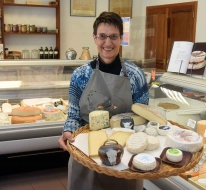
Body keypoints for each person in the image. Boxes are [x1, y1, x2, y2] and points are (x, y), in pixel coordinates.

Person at [58, 11, 149, 190]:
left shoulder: (135, 75)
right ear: (94, 38)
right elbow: (74, 114)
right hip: (87, 152)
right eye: (102, 36)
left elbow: (144, 116)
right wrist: (68, 130)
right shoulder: (80, 75)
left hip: (124, 156)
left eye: (114, 36)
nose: (108, 43)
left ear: (121, 38)